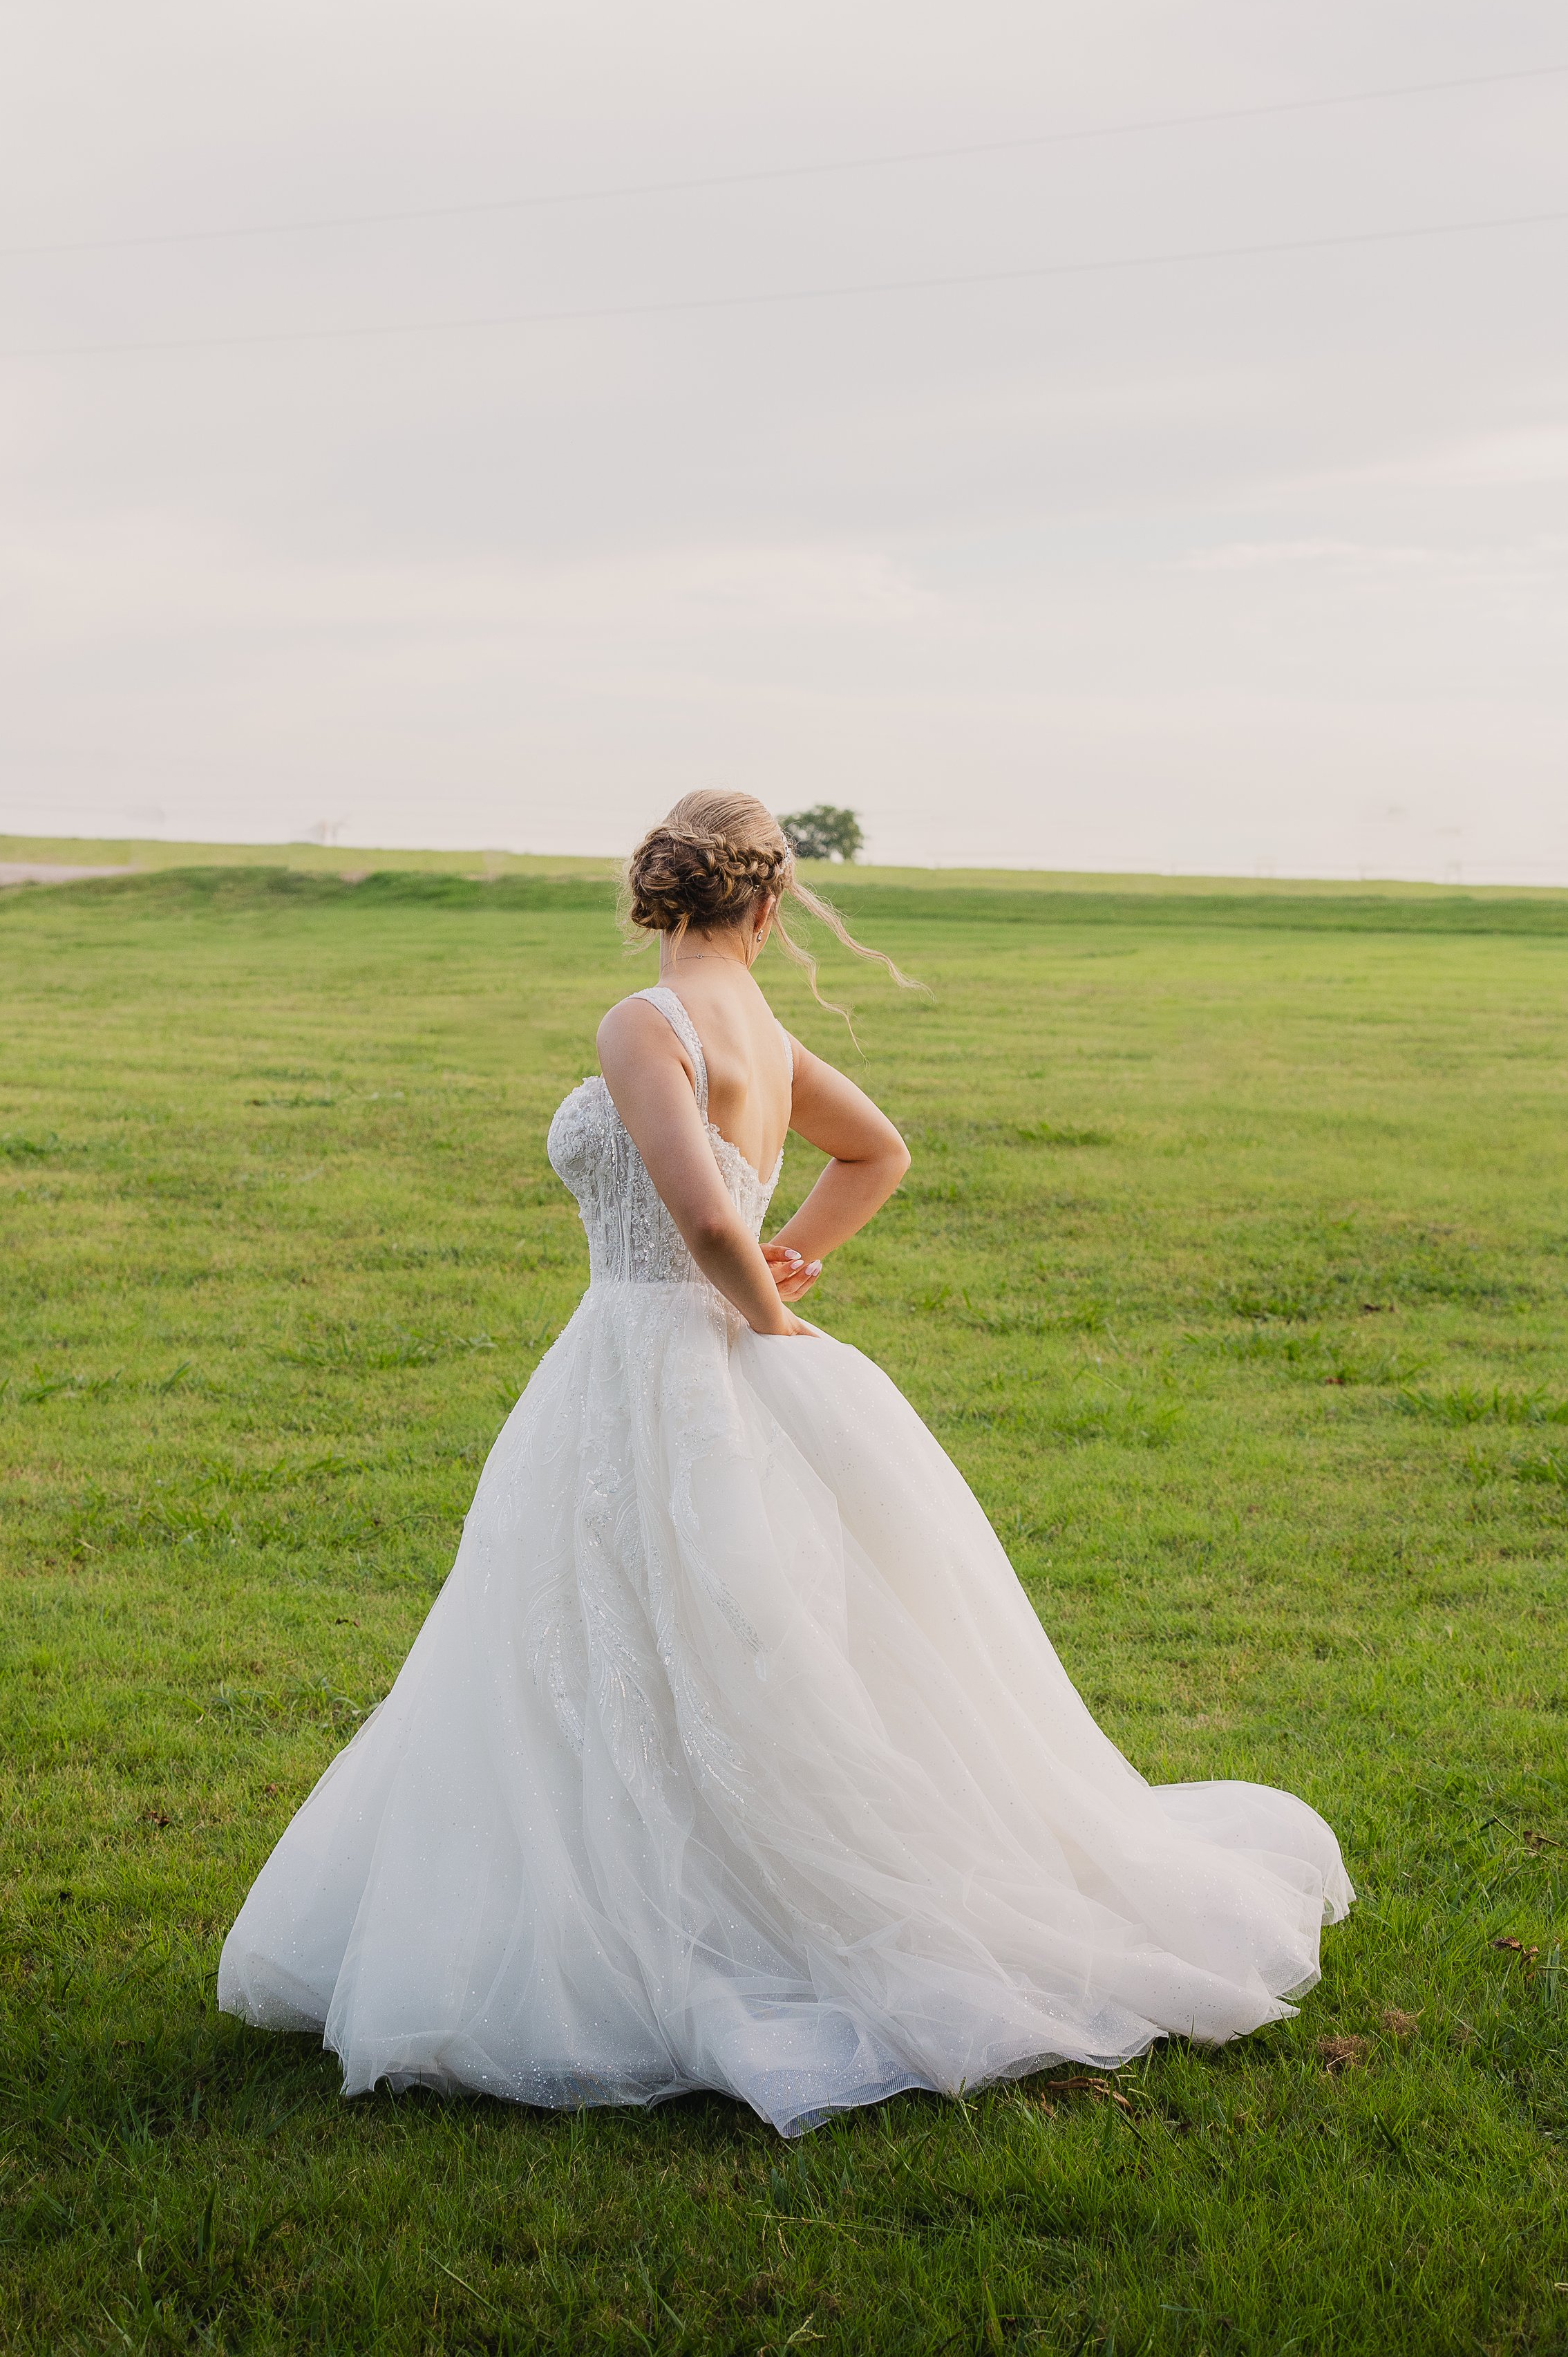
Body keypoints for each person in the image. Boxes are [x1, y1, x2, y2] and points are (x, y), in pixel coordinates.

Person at [218, 789, 1350, 2136]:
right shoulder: (758, 1024)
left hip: (653, 1356)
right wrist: (791, 1265)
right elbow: (873, 1153)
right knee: (725, 1626)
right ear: (764, 904)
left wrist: (768, 1306)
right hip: (690, 1355)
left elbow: (700, 1216)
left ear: (661, 897)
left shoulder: (643, 1024)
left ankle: (678, 1911)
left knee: (628, 1626)